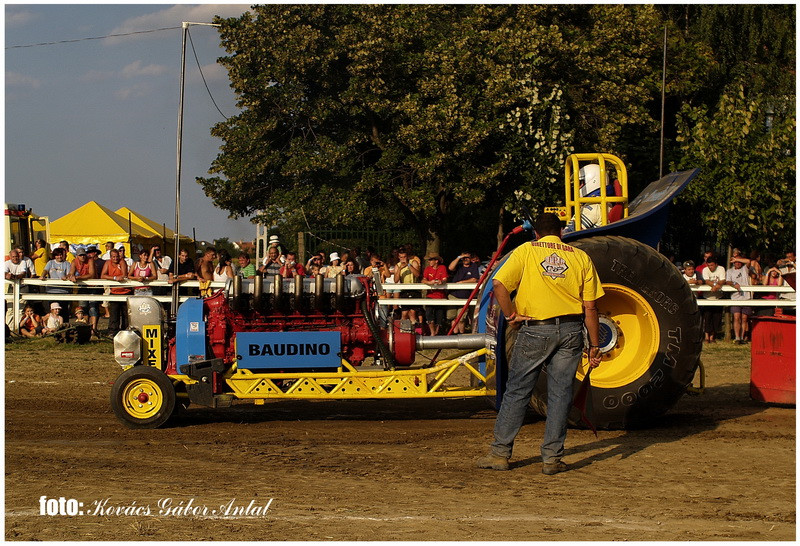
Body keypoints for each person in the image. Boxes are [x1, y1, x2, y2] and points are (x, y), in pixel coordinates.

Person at [477, 213, 604, 475]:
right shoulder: (580, 257)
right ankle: (552, 459)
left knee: (518, 391)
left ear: (536, 233)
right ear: (561, 232)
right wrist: (594, 345)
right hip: (571, 331)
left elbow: (499, 284)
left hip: (536, 328)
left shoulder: (526, 251)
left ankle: (500, 453)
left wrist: (511, 315)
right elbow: (590, 307)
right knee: (560, 395)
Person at [563, 164, 615, 233]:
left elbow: (569, 232)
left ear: (593, 181)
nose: (577, 187)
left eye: (580, 184)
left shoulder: (593, 208)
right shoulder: (605, 203)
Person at [447, 251, 481, 333]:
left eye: (467, 257)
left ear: (471, 259)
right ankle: (454, 336)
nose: (465, 259)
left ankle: (461, 336)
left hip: (465, 296)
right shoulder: (458, 266)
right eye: (464, 258)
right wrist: (459, 257)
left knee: (461, 318)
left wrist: (461, 282)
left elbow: (474, 279)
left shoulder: (473, 267)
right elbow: (450, 268)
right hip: (453, 294)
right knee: (452, 316)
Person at [101, 248, 131, 335]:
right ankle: (112, 332)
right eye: (113, 257)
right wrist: (114, 278)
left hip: (125, 291)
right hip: (114, 291)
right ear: (110, 257)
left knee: (126, 314)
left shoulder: (122, 262)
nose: (115, 258)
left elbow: (124, 275)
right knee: (114, 314)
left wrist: (115, 277)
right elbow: (103, 275)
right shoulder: (107, 263)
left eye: (117, 256)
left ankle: (125, 331)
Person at [68, 248, 98, 334]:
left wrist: (77, 277)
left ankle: (94, 329)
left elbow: (91, 274)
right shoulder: (74, 261)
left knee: (93, 308)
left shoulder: (90, 260)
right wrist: (70, 276)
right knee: (83, 307)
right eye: (81, 255)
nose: (83, 257)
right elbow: (71, 272)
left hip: (93, 285)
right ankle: (85, 327)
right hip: (83, 285)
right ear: (77, 256)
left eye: (84, 255)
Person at [726, 257, 753, 343]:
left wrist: (737, 258)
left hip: (746, 297)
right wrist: (734, 284)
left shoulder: (745, 269)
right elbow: (728, 281)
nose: (737, 263)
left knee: (744, 318)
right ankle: (737, 337)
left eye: (739, 262)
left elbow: (748, 261)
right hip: (735, 297)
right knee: (736, 317)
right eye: (735, 262)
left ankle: (742, 337)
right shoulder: (730, 271)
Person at [701, 255, 726, 343]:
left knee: (716, 318)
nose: (710, 267)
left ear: (716, 264)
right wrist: (715, 285)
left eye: (712, 265)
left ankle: (713, 337)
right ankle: (706, 337)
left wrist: (716, 286)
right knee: (707, 317)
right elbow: (706, 281)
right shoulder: (705, 270)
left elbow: (722, 280)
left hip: (718, 297)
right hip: (707, 297)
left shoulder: (721, 269)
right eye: (709, 265)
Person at [421, 255, 448, 336]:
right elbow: (423, 279)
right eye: (429, 260)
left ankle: (437, 332)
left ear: (436, 261)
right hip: (430, 295)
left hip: (440, 295)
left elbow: (445, 279)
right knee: (429, 313)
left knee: (439, 314)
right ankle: (432, 333)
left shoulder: (442, 267)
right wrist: (430, 282)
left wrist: (441, 282)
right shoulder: (427, 269)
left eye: (431, 260)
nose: (429, 262)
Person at [394, 247, 422, 323]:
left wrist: (408, 265)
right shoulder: (397, 265)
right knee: (404, 313)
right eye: (401, 257)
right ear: (398, 257)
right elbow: (395, 280)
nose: (403, 259)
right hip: (404, 290)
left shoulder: (413, 262)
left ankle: (413, 329)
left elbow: (417, 275)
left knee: (413, 313)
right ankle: (403, 329)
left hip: (414, 290)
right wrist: (400, 269)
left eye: (404, 257)